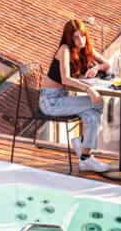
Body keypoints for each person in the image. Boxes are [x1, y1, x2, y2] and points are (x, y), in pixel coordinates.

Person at [41, 18, 111, 173]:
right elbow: (65, 78)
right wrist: (88, 89)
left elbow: (107, 65)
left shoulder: (85, 49)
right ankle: (82, 146)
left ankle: (85, 157)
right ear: (69, 38)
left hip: (63, 98)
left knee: (92, 115)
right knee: (98, 102)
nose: (81, 40)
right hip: (50, 101)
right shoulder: (64, 50)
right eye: (76, 37)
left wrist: (96, 68)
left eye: (83, 35)